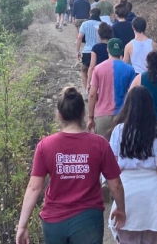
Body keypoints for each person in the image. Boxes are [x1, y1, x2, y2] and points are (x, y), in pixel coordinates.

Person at [16, 87, 126, 244]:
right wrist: (121, 209)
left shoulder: (45, 146)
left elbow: (34, 188)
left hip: (54, 222)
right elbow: (115, 184)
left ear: (59, 115)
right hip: (89, 220)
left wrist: (22, 226)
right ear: (83, 113)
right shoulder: (100, 144)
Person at [108, 86, 157, 244]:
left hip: (127, 193)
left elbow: (113, 168)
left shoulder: (119, 131)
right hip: (152, 195)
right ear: (150, 105)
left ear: (128, 105)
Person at [88, 38, 136, 140]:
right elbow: (133, 93)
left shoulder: (98, 68)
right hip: (123, 115)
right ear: (121, 51)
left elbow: (92, 94)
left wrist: (90, 117)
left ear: (107, 50)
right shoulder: (130, 69)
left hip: (102, 115)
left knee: (103, 150)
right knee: (121, 150)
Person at [76, 9, 102, 96]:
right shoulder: (102, 24)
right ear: (99, 14)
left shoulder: (85, 24)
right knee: (98, 72)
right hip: (100, 51)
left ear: (90, 14)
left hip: (87, 52)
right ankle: (98, 91)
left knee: (84, 71)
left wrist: (77, 51)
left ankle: (87, 91)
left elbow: (79, 37)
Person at [87, 22, 113, 91]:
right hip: (111, 75)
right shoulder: (112, 47)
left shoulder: (96, 48)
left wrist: (88, 83)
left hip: (99, 75)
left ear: (99, 35)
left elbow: (92, 66)